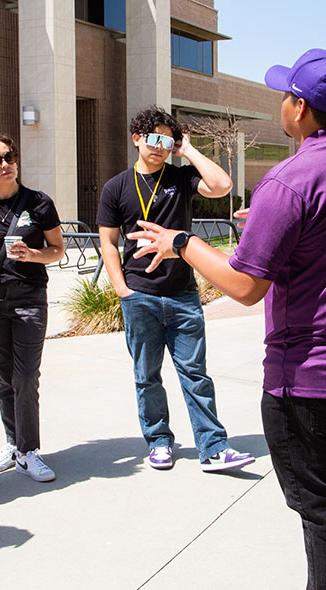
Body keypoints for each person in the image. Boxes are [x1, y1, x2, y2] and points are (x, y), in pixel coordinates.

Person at [129, 48, 326, 589]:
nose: (281, 103)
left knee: (321, 507)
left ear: (299, 108)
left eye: (284, 95)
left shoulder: (290, 178)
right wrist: (274, 224)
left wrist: (179, 242)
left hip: (313, 376)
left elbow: (244, 286)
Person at [96, 106, 255, 473]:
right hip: (140, 296)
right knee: (146, 375)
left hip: (183, 294)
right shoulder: (116, 187)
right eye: (152, 138)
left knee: (194, 373)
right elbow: (107, 242)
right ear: (137, 139)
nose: (159, 146)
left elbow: (221, 186)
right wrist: (122, 290)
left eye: (167, 140)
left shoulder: (180, 177)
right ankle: (159, 440)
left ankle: (213, 446)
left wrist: (188, 150)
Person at [0, 135, 65, 482]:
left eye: (10, 156)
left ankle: (29, 450)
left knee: (25, 376)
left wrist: (32, 255)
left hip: (29, 299)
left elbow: (58, 249)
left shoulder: (38, 203)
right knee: (3, 378)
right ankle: (12, 442)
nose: (6, 164)